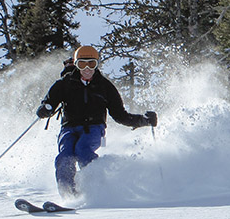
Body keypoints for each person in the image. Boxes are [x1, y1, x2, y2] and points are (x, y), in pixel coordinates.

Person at [37, 45, 158, 197]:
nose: (87, 69)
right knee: (65, 156)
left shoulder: (104, 86)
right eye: (82, 64)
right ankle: (69, 195)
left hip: (94, 128)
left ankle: (95, 190)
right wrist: (44, 109)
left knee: (82, 150)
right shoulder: (65, 83)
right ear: (76, 64)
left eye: (91, 64)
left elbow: (120, 115)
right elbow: (48, 103)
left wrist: (143, 120)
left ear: (97, 64)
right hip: (69, 129)